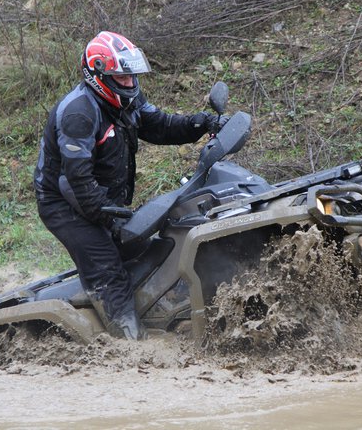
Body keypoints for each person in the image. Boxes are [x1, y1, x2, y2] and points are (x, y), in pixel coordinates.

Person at [33, 31, 222, 340]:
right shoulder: (79, 112)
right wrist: (108, 220)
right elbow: (76, 178)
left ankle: (164, 319)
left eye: (131, 75)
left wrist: (201, 123)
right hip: (65, 204)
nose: (129, 81)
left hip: (102, 200)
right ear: (97, 74)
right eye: (121, 76)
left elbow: (160, 125)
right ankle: (130, 346)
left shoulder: (127, 101)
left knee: (148, 254)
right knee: (107, 270)